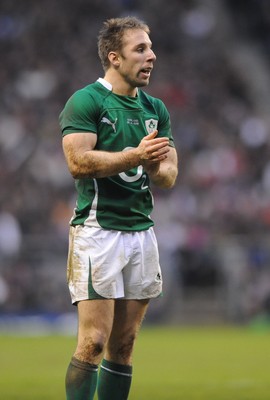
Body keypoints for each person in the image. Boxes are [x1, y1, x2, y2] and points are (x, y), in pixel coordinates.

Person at [59, 16, 178, 400]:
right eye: (140, 49)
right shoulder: (87, 100)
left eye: (151, 48)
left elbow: (168, 176)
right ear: (114, 57)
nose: (151, 56)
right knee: (93, 342)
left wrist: (154, 162)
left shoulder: (155, 108)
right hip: (98, 231)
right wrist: (134, 156)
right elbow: (78, 162)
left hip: (141, 233)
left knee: (123, 348)